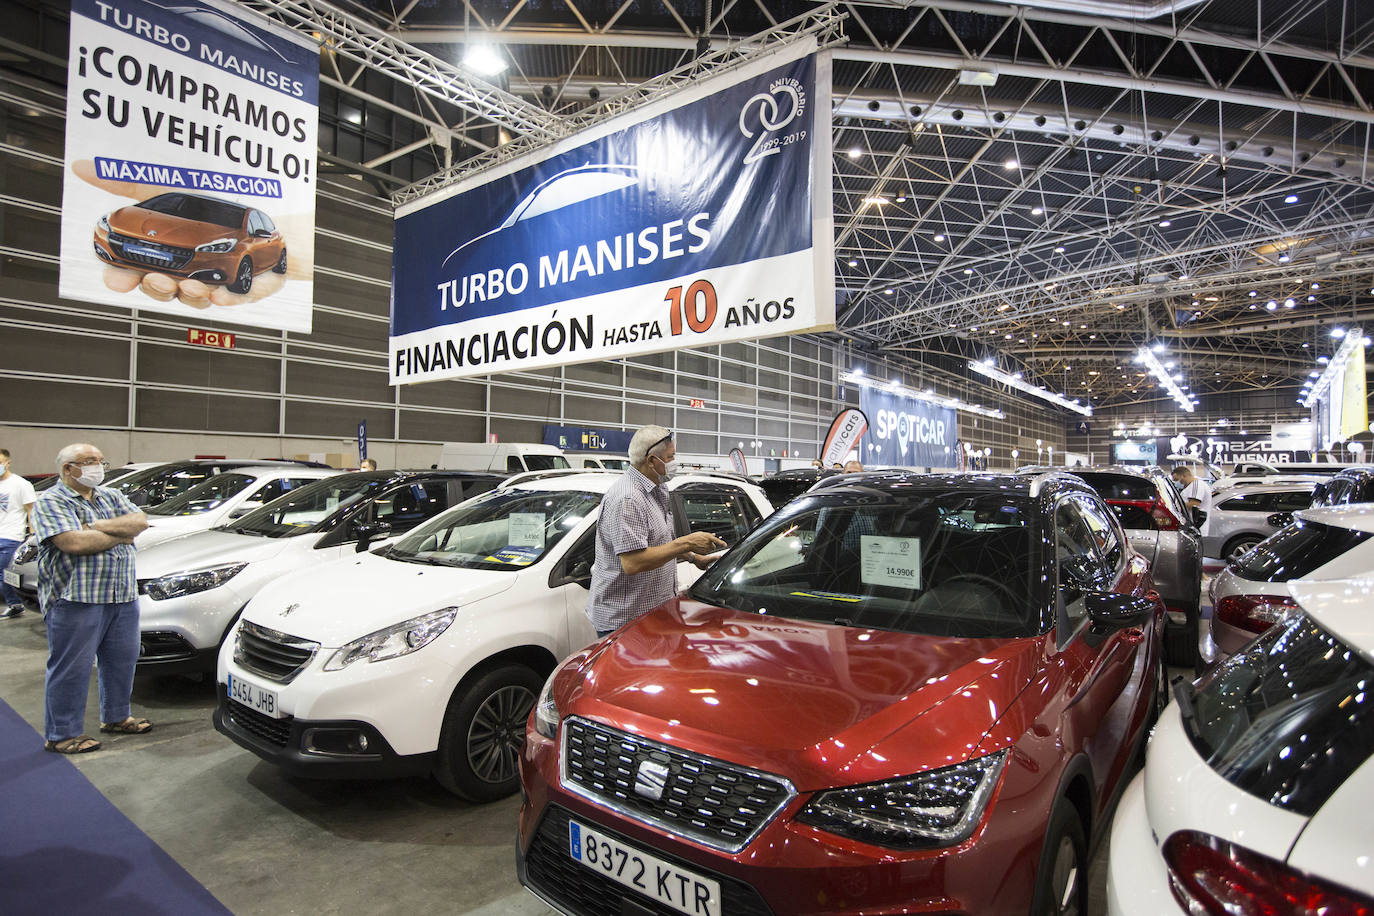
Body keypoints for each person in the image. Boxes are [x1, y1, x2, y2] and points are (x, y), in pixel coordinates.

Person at [31, 444, 152, 754]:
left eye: (99, 461)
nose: (97, 466)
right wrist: (118, 533)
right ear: (68, 469)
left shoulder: (110, 496)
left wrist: (95, 526)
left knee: (121, 660)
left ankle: (116, 716)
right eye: (88, 462)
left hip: (121, 595)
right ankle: (62, 734)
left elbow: (138, 523)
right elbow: (72, 542)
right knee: (71, 667)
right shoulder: (50, 501)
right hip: (75, 599)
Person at [586, 426, 727, 638]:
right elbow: (633, 562)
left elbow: (656, 543)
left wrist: (692, 557)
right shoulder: (629, 498)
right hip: (626, 620)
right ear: (651, 460)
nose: (674, 462)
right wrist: (686, 543)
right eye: (670, 457)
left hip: (652, 613)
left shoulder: (657, 488)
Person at [0, 449, 36, 619]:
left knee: (5, 573)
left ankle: (14, 604)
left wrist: (32, 532)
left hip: (10, 535)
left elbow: (31, 510)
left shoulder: (20, 484)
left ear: (8, 462)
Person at [1171, 465, 1213, 537]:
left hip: (1196, 527)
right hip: (1190, 528)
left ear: (1183, 476)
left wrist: (1175, 507)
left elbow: (1194, 504)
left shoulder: (1196, 485)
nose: (1176, 482)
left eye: (1176, 479)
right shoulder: (1189, 487)